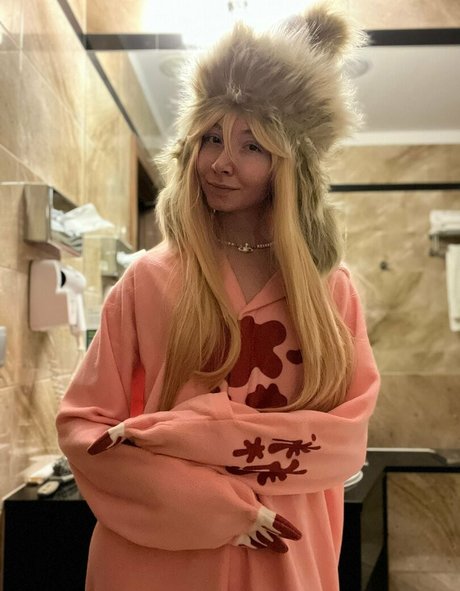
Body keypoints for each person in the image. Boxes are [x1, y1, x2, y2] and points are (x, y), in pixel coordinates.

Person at [56, 4, 380, 590]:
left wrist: (191, 435)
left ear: (289, 164)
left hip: (286, 553)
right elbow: (84, 427)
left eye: (252, 146)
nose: (222, 163)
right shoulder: (149, 279)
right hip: (158, 558)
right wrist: (217, 506)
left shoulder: (330, 291)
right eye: (211, 139)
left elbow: (345, 441)